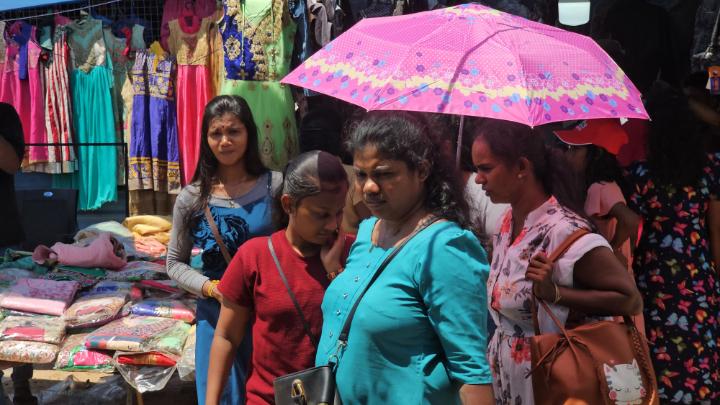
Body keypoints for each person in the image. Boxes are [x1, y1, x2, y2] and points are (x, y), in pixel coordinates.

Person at [316, 112, 494, 404]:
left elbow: (471, 373)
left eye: (384, 174)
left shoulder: (445, 247)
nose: (369, 187)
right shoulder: (366, 232)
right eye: (361, 175)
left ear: (421, 170)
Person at [469, 118, 643, 404]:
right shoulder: (508, 223)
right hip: (512, 383)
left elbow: (630, 300)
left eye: (486, 168)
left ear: (522, 167)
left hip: (552, 385)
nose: (478, 179)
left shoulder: (564, 231)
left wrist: (556, 293)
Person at [207, 151, 354, 405]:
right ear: (288, 205)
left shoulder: (355, 254)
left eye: (339, 213)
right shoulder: (254, 256)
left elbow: (360, 325)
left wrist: (335, 272)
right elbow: (227, 336)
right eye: (321, 214)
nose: (333, 225)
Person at [166, 95, 282, 405]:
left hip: (267, 318)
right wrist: (211, 288)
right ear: (205, 139)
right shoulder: (192, 197)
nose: (225, 141)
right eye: (216, 133)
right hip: (216, 320)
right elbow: (174, 263)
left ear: (249, 133)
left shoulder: (275, 187)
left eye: (234, 131)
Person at [624, 82, 720, 404]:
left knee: (661, 363)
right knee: (700, 361)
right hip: (698, 278)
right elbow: (716, 231)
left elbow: (633, 232)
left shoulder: (639, 174)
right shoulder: (708, 171)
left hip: (655, 280)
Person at [0, 103, 35, 405]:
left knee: (18, 315)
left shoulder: (5, 115)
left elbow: (11, 163)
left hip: (5, 236)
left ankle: (23, 387)